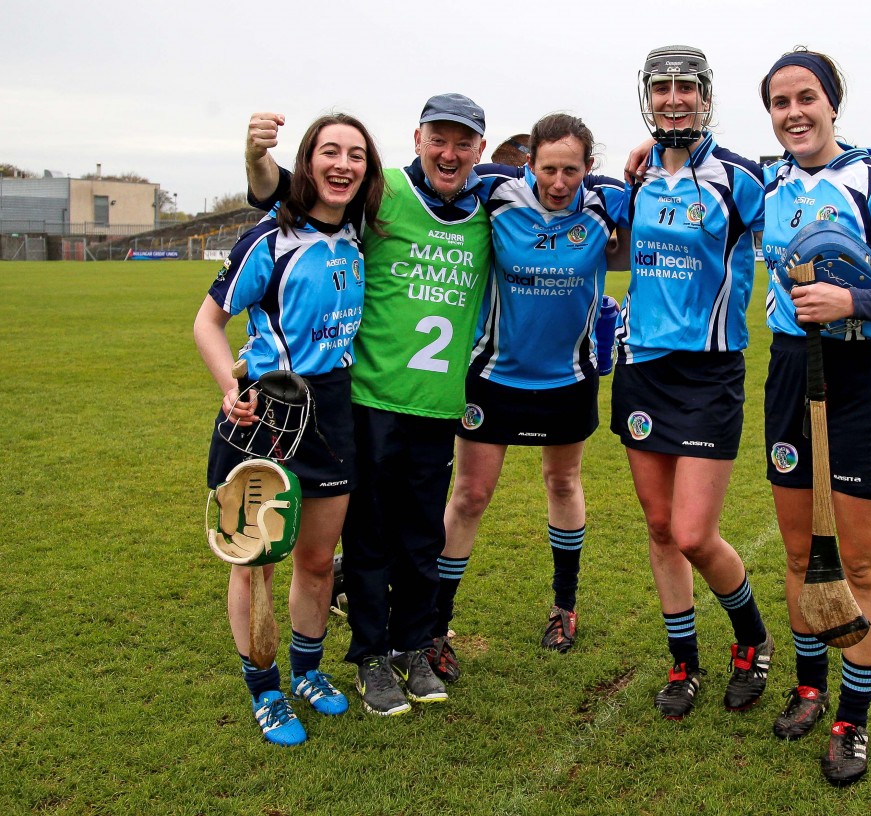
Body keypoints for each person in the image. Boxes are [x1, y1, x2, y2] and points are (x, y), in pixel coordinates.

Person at [244, 93, 493, 716]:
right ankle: (371, 656)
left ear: (480, 151)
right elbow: (291, 192)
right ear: (416, 139)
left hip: (437, 405)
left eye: (463, 142)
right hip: (370, 400)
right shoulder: (379, 194)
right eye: (439, 138)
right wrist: (257, 156)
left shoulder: (492, 205)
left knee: (420, 540)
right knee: (370, 536)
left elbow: (556, 187)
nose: (449, 152)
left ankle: (413, 645)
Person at [758, 47, 871, 785]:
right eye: (780, 102)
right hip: (790, 375)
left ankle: (851, 721)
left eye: (807, 97)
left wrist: (853, 301)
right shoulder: (765, 181)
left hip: (868, 381)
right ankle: (807, 687)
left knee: (862, 563)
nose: (794, 112)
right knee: (801, 557)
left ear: (832, 103)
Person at [196, 112, 385, 746]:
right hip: (263, 412)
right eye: (329, 152)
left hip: (331, 411)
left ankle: (307, 671)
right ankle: (265, 689)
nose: (343, 165)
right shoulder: (267, 239)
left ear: (367, 170)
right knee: (254, 564)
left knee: (313, 560)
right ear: (306, 164)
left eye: (355, 155)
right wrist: (231, 388)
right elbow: (207, 323)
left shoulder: (360, 231)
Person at [431, 114, 628, 680]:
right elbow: (442, 177)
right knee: (469, 496)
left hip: (568, 378)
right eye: (548, 168)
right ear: (529, 163)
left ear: (588, 167)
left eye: (571, 169)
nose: (559, 182)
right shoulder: (498, 194)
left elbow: (651, 204)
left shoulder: (606, 201)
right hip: (494, 375)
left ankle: (565, 606)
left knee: (562, 483)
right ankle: (436, 625)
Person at [613, 45, 772, 720]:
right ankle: (684, 663)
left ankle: (752, 640)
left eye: (686, 87)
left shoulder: (740, 179)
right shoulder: (635, 180)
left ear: (706, 97)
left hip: (710, 374)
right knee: (657, 526)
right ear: (646, 96)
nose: (673, 96)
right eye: (662, 86)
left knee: (694, 533)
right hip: (642, 370)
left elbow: (794, 224)